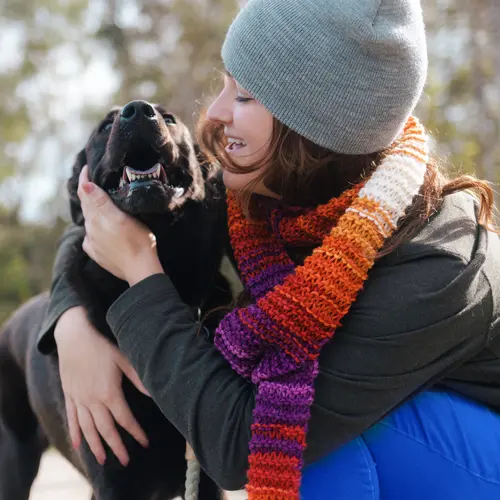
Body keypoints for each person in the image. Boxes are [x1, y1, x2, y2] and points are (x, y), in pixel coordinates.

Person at [37, 0, 500, 498]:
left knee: (300, 435)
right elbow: (104, 215)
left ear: (312, 130)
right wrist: (71, 325)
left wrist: (139, 270)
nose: (214, 113)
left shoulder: (437, 269)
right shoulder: (269, 192)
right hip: (414, 430)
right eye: (225, 84)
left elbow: (241, 446)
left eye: (245, 96)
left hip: (479, 451)